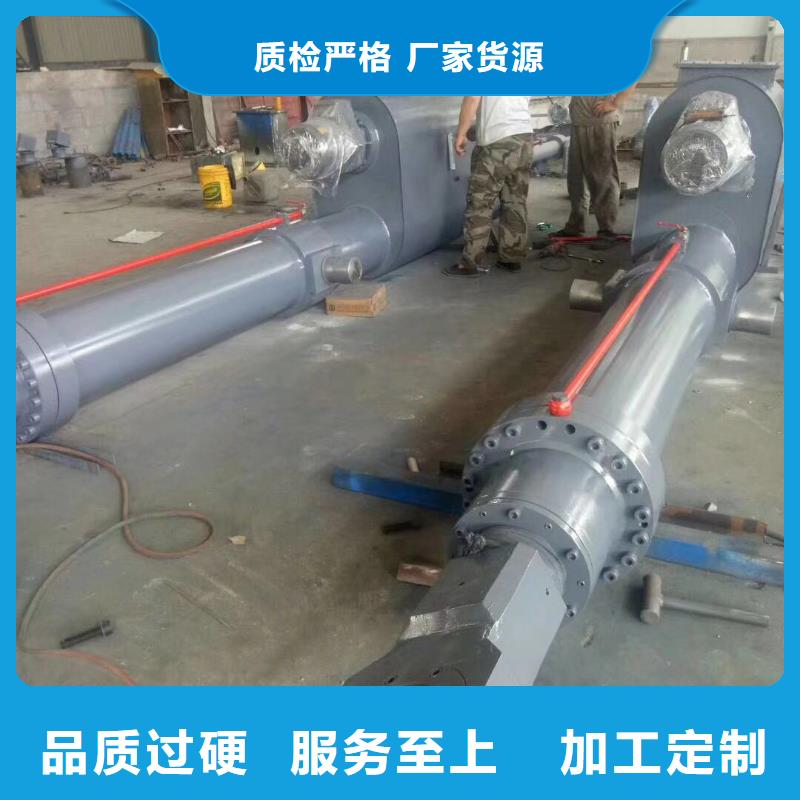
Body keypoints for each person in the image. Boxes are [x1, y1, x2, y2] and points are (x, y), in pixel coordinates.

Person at [444, 96, 534, 277]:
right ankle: (512, 257)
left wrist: (461, 133)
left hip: (498, 142)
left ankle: (470, 262)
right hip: (524, 138)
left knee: (480, 203)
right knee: (515, 201)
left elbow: (472, 97)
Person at [555, 86, 637, 248]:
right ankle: (575, 225)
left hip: (600, 122)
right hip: (580, 121)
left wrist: (614, 103)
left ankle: (607, 231)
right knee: (576, 179)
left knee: (603, 178)